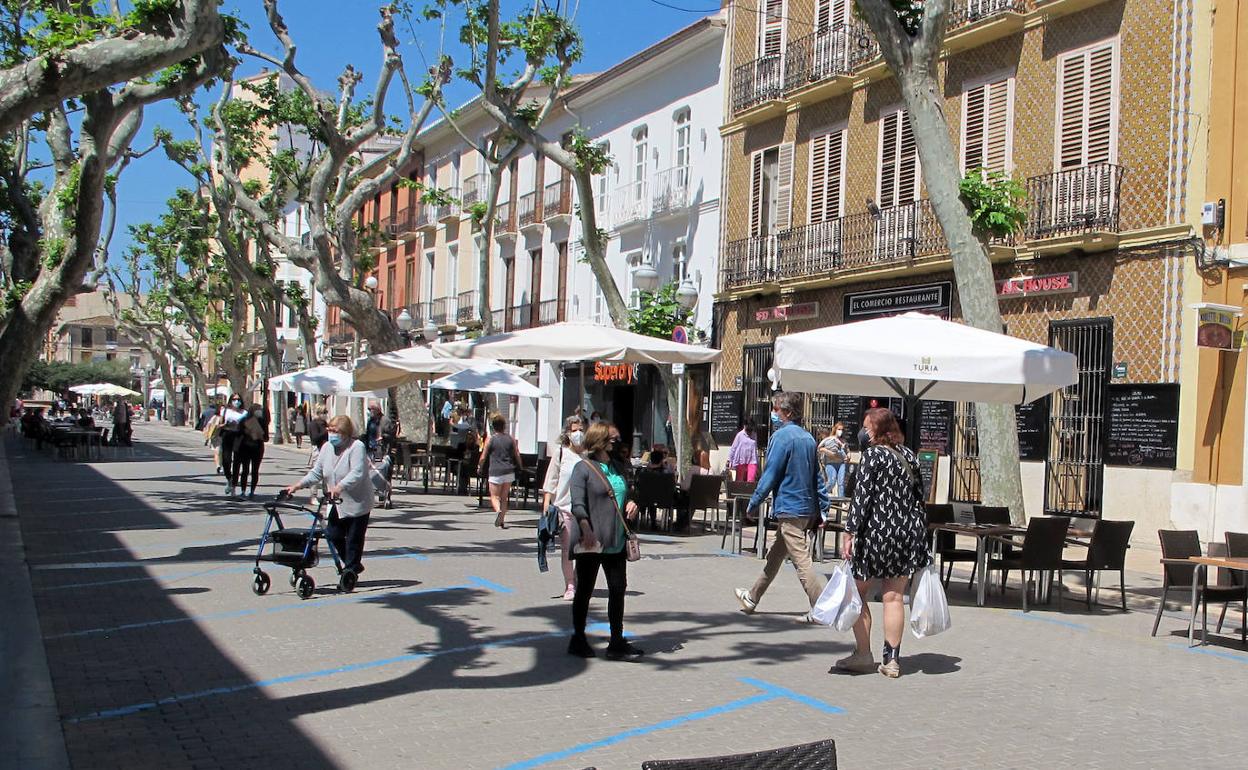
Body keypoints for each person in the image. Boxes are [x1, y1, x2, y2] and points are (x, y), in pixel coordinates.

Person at [836, 408, 932, 679]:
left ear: (878, 430)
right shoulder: (909, 455)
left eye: (867, 427)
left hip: (875, 534)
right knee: (893, 597)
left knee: (856, 593)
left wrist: (850, 531)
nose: (863, 432)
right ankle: (891, 660)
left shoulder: (872, 456)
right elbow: (918, 499)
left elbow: (862, 497)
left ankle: (863, 653)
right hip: (905, 536)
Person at [733, 391, 829, 622]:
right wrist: (823, 507)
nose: (773, 413)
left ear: (786, 412)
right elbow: (818, 477)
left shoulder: (781, 438)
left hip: (790, 506)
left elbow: (770, 474)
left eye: (776, 409)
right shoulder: (808, 438)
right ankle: (752, 597)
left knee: (801, 561)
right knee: (775, 555)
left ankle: (822, 607)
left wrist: (754, 502)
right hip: (807, 507)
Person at [567, 421, 644, 660]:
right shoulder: (583, 468)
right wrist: (585, 528)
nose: (616, 441)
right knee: (585, 591)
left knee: (618, 590)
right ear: (599, 440)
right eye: (612, 437)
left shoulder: (619, 467)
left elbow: (628, 493)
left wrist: (633, 502)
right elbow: (577, 503)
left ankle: (616, 641)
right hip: (592, 541)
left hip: (616, 541)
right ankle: (578, 638)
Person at [285, 415, 374, 577]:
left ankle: (350, 568)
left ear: (346, 433)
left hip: (358, 500)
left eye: (335, 431)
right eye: (330, 430)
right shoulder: (326, 448)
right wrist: (297, 485)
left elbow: (358, 472)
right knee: (333, 534)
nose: (331, 434)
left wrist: (340, 487)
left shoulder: (356, 447)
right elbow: (317, 472)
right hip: (337, 501)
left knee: (354, 538)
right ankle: (352, 564)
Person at [541, 415, 585, 600]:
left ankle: (579, 578)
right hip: (564, 508)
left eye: (581, 429)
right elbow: (551, 481)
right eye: (574, 430)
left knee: (584, 549)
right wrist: (546, 506)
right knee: (567, 549)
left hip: (585, 511)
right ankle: (570, 584)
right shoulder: (561, 453)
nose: (578, 434)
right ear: (567, 433)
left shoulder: (588, 455)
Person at [479, 412, 522, 528]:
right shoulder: (511, 439)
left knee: (494, 496)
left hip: (495, 471)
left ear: (493, 426)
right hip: (509, 471)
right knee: (504, 497)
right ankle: (502, 519)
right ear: (504, 426)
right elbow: (517, 454)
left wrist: (480, 466)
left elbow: (483, 456)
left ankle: (498, 511)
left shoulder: (490, 440)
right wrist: (520, 466)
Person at [231, 403, 269, 500]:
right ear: (252, 411)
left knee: (254, 470)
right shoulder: (244, 420)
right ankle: (243, 491)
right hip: (245, 448)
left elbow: (266, 438)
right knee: (245, 470)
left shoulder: (262, 421)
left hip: (257, 448)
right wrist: (247, 432)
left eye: (260, 409)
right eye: (257, 409)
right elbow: (238, 433)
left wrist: (260, 434)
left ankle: (252, 491)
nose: (259, 411)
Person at [219, 395, 248, 495]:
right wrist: (226, 424)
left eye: (238, 399)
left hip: (239, 437)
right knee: (226, 460)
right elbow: (219, 424)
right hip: (227, 435)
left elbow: (248, 426)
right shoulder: (225, 411)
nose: (236, 401)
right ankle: (229, 479)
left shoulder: (245, 413)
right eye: (234, 399)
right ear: (230, 400)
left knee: (237, 462)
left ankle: (234, 486)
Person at [818, 422, 850, 497]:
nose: (840, 431)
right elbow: (820, 448)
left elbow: (847, 451)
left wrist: (848, 457)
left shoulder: (843, 441)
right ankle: (821, 495)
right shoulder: (829, 439)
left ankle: (841, 501)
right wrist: (829, 452)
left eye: (842, 430)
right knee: (831, 482)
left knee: (841, 483)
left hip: (841, 463)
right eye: (839, 429)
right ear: (835, 429)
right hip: (830, 463)